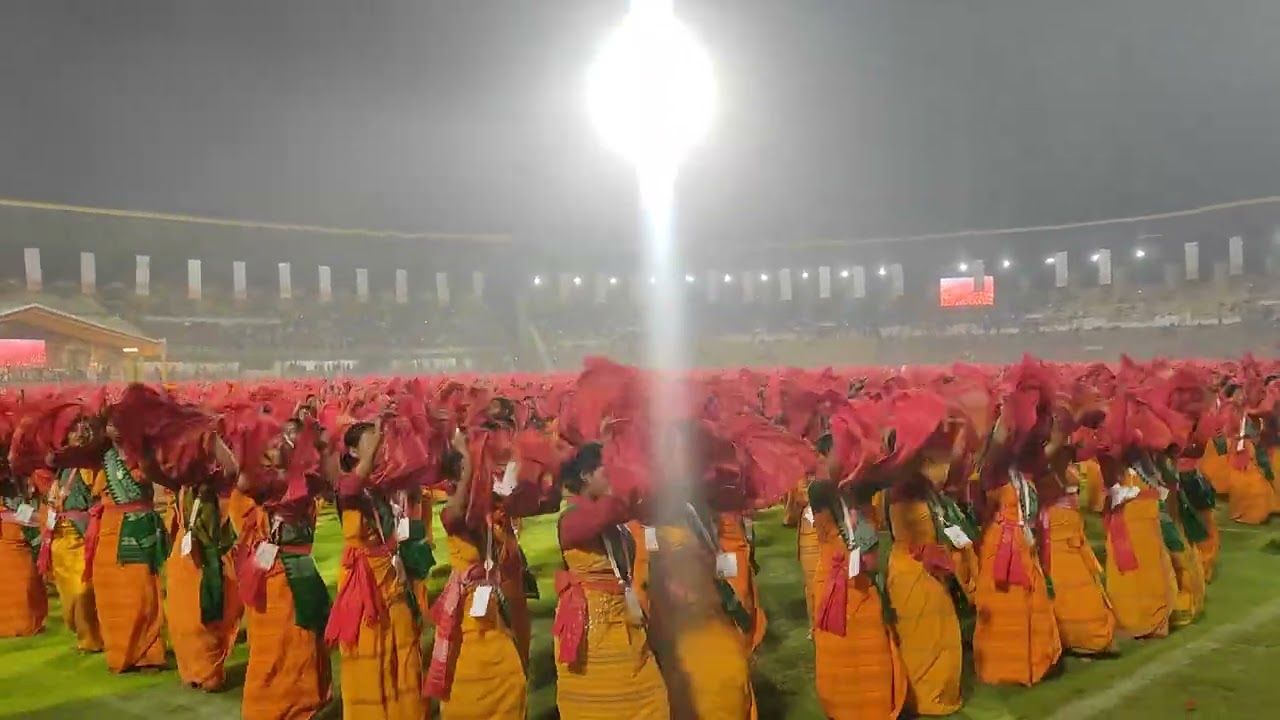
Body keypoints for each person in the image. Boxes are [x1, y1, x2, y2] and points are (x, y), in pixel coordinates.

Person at [552, 442, 669, 719]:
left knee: (653, 701)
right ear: (585, 476)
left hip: (627, 623)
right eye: (608, 471)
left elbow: (649, 505)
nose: (615, 478)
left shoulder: (613, 519)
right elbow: (607, 512)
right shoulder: (571, 519)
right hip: (592, 631)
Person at [235, 417, 334, 720]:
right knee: (276, 645)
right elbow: (243, 481)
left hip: (302, 568)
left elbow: (332, 484)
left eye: (287, 440)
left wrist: (324, 445)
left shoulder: (306, 480)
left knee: (306, 639)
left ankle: (306, 701)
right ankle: (272, 706)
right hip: (277, 573)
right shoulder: (266, 485)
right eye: (275, 442)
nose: (282, 445)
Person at [326, 421, 426, 720]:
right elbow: (353, 487)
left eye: (380, 442)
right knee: (371, 649)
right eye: (371, 442)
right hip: (364, 581)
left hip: (392, 576)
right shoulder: (347, 485)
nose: (380, 446)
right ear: (354, 451)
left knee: (404, 644)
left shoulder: (380, 486)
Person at [427, 428, 528, 719]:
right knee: (469, 678)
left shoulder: (490, 509)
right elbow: (459, 514)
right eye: (465, 469)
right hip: (466, 611)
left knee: (511, 677)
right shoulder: (451, 513)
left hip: (493, 607)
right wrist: (471, 465)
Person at [806, 475, 908, 720]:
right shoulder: (822, 493)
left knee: (873, 648)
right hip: (835, 585)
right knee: (841, 651)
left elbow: (871, 557)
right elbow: (819, 489)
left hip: (864, 586)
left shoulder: (862, 494)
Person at [85, 419, 168, 673]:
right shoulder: (102, 457)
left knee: (143, 592)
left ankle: (147, 652)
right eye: (111, 423)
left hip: (138, 526)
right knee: (111, 595)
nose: (117, 427)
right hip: (109, 531)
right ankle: (120, 652)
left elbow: (150, 478)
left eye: (122, 421)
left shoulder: (143, 453)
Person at [165, 444, 243, 691]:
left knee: (209, 616)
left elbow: (232, 469)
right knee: (184, 617)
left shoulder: (219, 486)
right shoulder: (181, 486)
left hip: (213, 558)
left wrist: (210, 435)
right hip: (185, 560)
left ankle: (210, 671)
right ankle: (193, 670)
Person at [34, 417, 102, 651]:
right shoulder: (63, 467)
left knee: (82, 592)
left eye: (84, 429)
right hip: (59, 538)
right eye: (74, 430)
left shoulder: (88, 468)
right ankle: (84, 636)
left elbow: (97, 497)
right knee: (68, 596)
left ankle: (92, 639)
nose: (79, 434)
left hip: (79, 537)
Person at [0, 469, 46, 638]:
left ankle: (26, 623)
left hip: (19, 533)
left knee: (25, 581)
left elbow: (26, 512)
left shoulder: (14, 484)